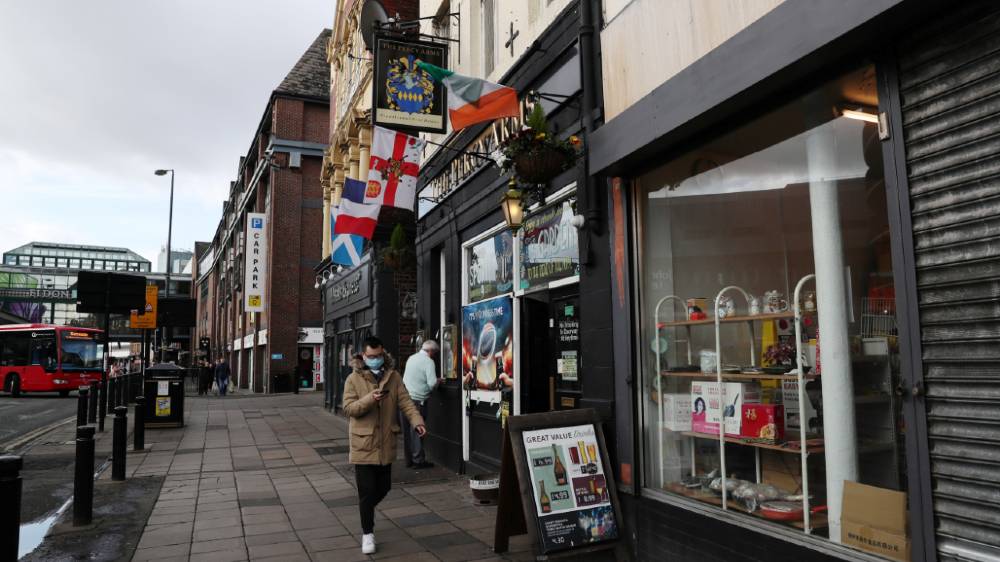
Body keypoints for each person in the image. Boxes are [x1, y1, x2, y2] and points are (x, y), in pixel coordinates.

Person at [342, 336, 425, 555]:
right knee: (366, 491)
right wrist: (370, 399)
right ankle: (367, 533)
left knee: (384, 487)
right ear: (363, 356)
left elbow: (406, 402)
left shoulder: (394, 376)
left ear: (383, 353)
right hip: (363, 443)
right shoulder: (353, 379)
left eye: (378, 356)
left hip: (386, 443)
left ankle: (366, 509)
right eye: (371, 357)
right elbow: (349, 409)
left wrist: (417, 422)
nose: (375, 360)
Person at [401, 340, 441, 469]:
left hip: (405, 400)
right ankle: (418, 461)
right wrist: (438, 381)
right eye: (434, 353)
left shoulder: (411, 358)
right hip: (418, 401)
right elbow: (432, 384)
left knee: (407, 432)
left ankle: (409, 460)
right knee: (418, 431)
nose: (433, 356)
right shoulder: (429, 361)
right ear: (431, 351)